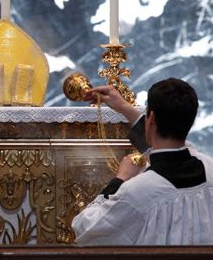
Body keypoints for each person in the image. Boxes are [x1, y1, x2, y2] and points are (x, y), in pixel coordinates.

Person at [73, 78, 213, 244]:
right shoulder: (208, 167)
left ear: (151, 118)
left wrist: (120, 179)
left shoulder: (137, 190)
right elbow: (173, 150)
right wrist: (125, 108)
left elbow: (86, 230)